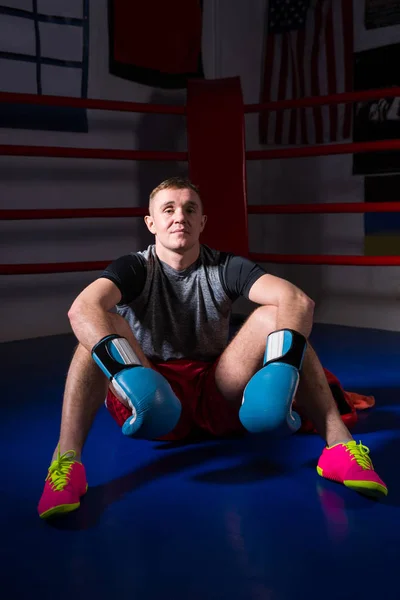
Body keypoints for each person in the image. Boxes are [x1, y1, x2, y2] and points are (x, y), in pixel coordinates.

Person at [38, 177, 387, 519]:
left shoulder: (225, 266)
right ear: (152, 223)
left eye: (190, 209)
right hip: (149, 388)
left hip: (217, 390)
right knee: (93, 336)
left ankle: (339, 449)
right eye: (169, 209)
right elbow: (81, 308)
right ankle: (67, 462)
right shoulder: (134, 268)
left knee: (276, 317)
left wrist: (282, 365)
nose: (180, 217)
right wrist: (126, 373)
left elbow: (296, 299)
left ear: (202, 222)